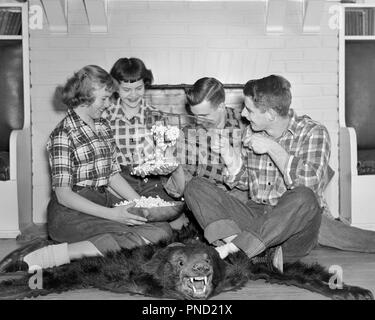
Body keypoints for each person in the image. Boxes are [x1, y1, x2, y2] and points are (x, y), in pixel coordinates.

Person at [0, 65, 173, 273]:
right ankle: (43, 256)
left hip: (103, 205)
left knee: (162, 231)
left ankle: (75, 249)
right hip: (70, 213)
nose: (109, 105)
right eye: (104, 99)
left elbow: (112, 175)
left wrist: (142, 204)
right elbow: (63, 195)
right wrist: (113, 215)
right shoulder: (62, 135)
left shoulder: (102, 126)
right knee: (120, 237)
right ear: (84, 97)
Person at [183, 75, 329, 272]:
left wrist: (273, 148)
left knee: (305, 196)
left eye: (249, 110)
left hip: (292, 232)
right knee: (195, 186)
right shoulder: (252, 132)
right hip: (257, 217)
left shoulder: (314, 132)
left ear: (269, 114)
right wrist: (230, 157)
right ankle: (251, 254)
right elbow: (244, 182)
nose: (243, 114)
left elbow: (310, 185)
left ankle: (236, 249)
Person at [163, 77, 245, 198]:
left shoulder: (245, 126)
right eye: (194, 115)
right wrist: (171, 164)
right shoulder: (187, 134)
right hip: (203, 198)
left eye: (204, 115)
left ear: (221, 106)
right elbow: (178, 189)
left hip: (237, 196)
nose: (198, 121)